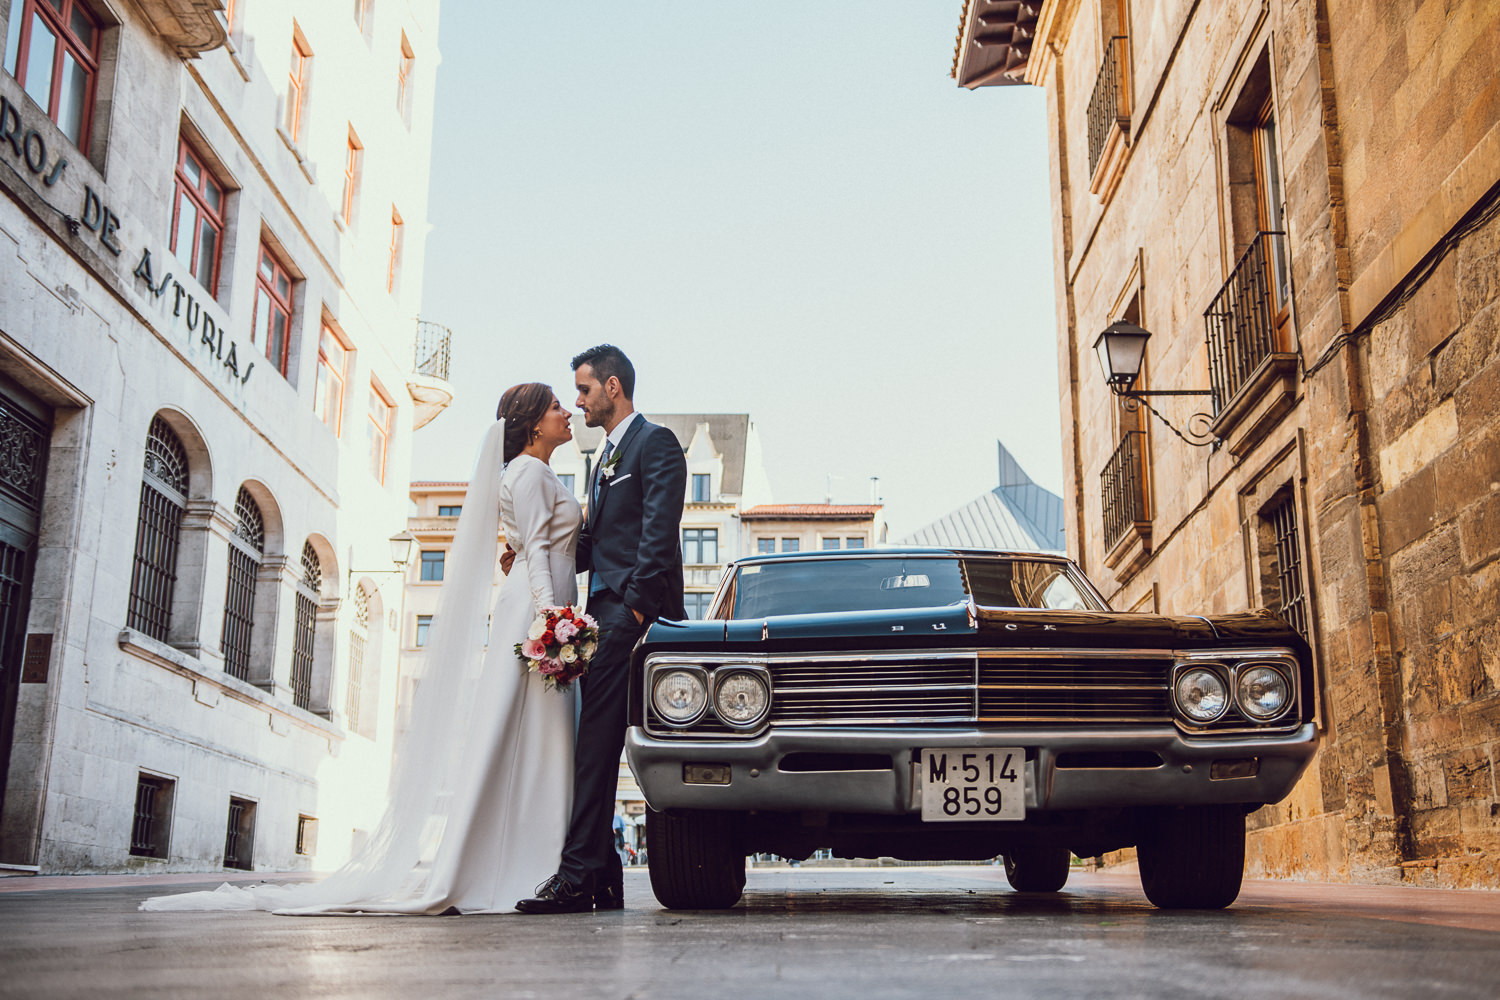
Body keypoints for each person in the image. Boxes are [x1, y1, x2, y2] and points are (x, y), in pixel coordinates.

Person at [140, 384, 582, 914]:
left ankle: (527, 857)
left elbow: (523, 545)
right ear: (533, 423)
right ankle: (526, 861)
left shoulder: (534, 472)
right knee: (534, 732)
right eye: (557, 405)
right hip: (540, 613)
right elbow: (533, 550)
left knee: (533, 733)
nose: (567, 412)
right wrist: (553, 618)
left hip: (540, 608)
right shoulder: (529, 472)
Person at [515, 344, 686, 914]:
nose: (579, 402)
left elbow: (658, 536)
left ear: (613, 388)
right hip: (601, 611)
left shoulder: (654, 444)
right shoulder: (602, 460)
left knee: (594, 741)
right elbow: (594, 543)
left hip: (632, 615)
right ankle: (605, 874)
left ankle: (579, 875)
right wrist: (525, 550)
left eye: (584, 390)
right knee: (594, 737)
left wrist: (635, 612)